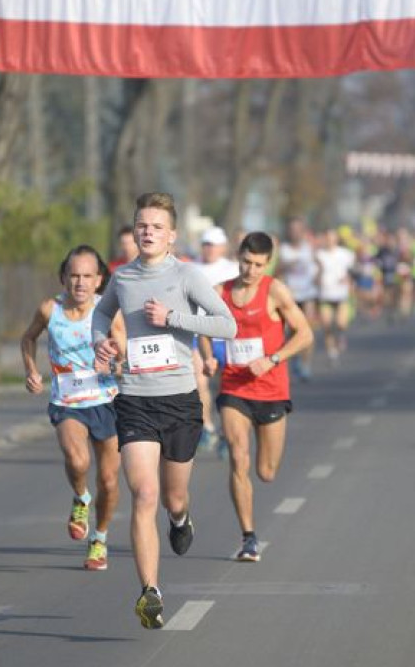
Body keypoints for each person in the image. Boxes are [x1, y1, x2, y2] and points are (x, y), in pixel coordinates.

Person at [92, 192, 236, 629]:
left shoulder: (188, 276)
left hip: (179, 400)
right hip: (135, 398)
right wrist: (102, 341)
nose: (147, 231)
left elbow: (226, 325)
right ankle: (150, 591)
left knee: (172, 496)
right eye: (141, 225)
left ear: (172, 235)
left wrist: (175, 317)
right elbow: (101, 315)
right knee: (145, 494)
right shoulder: (122, 278)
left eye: (156, 226)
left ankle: (180, 518)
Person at [201, 232, 313, 562]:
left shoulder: (275, 291)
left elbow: (304, 333)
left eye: (258, 265)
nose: (251, 271)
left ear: (268, 263)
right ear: (238, 258)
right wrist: (208, 356)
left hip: (272, 389)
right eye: (246, 263)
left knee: (266, 471)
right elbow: (203, 329)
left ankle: (251, 524)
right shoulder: (219, 292)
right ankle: (248, 537)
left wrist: (273, 359)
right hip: (234, 386)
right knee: (238, 456)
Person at [21, 245, 125, 571]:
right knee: (78, 459)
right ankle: (81, 498)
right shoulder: (49, 310)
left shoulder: (108, 312)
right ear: (64, 277)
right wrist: (31, 370)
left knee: (108, 481)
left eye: (87, 277)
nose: (80, 283)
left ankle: (100, 539)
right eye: (74, 276)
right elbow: (28, 339)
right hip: (67, 402)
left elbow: (123, 352)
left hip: (107, 401)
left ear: (99, 280)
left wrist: (115, 360)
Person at [193, 225, 239, 449]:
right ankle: (207, 427)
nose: (209, 249)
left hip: (225, 335)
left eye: (213, 245)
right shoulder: (190, 268)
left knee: (224, 386)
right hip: (198, 333)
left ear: (223, 247)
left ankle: (224, 429)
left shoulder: (234, 268)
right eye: (206, 244)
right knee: (200, 381)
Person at [278, 217, 318, 380]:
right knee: (289, 332)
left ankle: (305, 364)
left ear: (302, 231)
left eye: (297, 229)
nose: (294, 232)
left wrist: (319, 277)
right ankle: (293, 357)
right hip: (289, 296)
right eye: (292, 229)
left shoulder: (309, 248)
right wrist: (288, 265)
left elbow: (319, 265)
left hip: (307, 294)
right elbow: (277, 270)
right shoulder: (283, 249)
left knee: (307, 329)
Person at [315, 228, 355, 361]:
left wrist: (349, 279)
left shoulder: (345, 254)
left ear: (336, 239)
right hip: (325, 294)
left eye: (332, 237)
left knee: (340, 323)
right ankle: (331, 351)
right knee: (326, 325)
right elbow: (314, 273)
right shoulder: (319, 255)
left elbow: (353, 271)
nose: (329, 240)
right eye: (327, 238)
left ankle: (341, 335)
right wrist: (317, 278)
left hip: (341, 294)